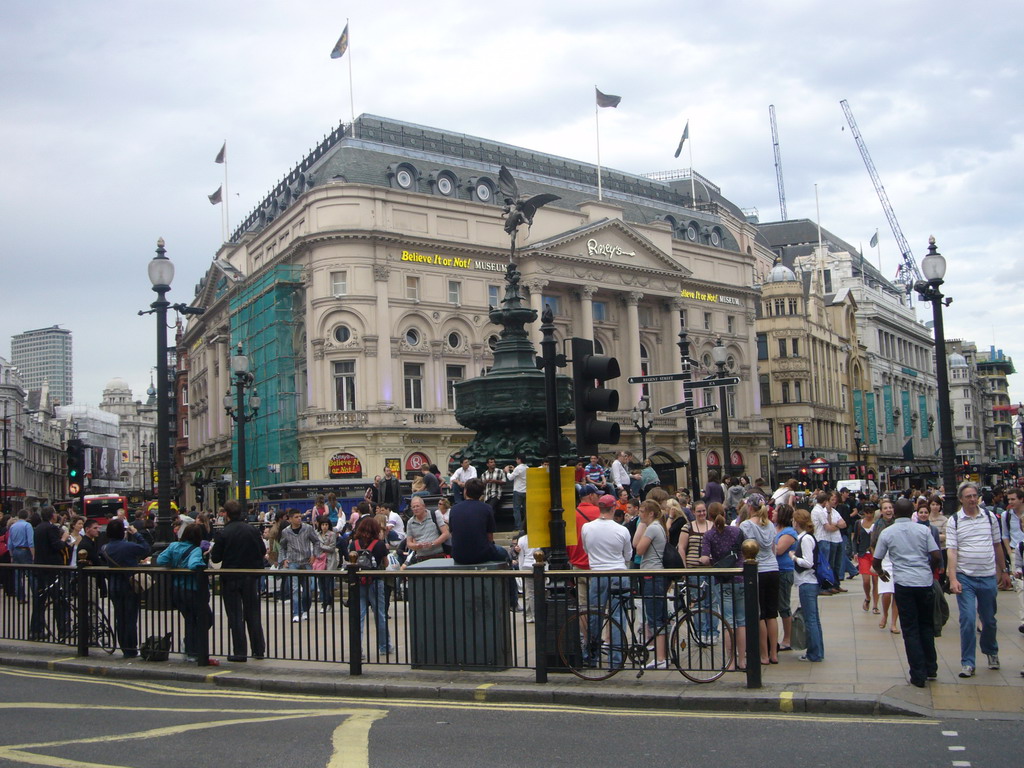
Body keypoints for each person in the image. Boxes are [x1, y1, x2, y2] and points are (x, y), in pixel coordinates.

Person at [873, 498, 942, 687]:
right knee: (926, 626)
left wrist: (881, 573)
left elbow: (876, 560)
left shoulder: (888, 533)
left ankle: (918, 674)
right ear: (912, 511)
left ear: (894, 513)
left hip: (903, 583)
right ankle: (931, 667)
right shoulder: (923, 530)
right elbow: (936, 555)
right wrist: (929, 569)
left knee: (910, 629)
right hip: (924, 581)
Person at [946, 481, 1012, 677]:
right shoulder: (955, 521)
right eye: (968, 496)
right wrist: (952, 578)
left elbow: (997, 545)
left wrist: (1004, 570)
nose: (973, 500)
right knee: (967, 619)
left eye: (975, 496)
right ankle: (968, 662)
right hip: (965, 577)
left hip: (987, 575)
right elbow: (952, 551)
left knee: (989, 620)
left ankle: (991, 650)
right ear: (961, 499)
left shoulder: (990, 518)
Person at [579, 488, 632, 667]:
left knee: (595, 615)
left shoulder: (587, 527)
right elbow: (628, 556)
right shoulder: (621, 530)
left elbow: (586, 550)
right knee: (618, 617)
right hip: (618, 573)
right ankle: (616, 660)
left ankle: (592, 657)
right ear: (613, 508)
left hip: (598, 573)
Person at [209, 499, 266, 661]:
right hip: (250, 576)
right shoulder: (252, 530)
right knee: (253, 613)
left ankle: (240, 652)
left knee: (235, 616)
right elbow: (261, 550)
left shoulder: (223, 533)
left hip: (231, 578)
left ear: (226, 514)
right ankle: (258, 649)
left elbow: (216, 557)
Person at [157, 522, 213, 664]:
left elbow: (160, 559)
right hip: (192, 590)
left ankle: (190, 649)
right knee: (206, 619)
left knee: (190, 620)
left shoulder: (174, 546)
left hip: (177, 590)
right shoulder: (195, 550)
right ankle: (192, 648)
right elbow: (193, 565)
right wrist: (202, 561)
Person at [699, 504, 746, 670]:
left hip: (722, 579)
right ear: (724, 514)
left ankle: (731, 661)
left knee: (728, 621)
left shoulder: (709, 535)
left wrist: (707, 560)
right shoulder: (737, 532)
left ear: (709, 517)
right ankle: (743, 660)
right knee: (741, 621)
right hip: (740, 577)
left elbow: (704, 558)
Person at [100, 519, 151, 658]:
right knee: (130, 618)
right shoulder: (128, 546)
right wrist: (136, 534)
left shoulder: (105, 548)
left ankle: (124, 647)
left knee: (119, 617)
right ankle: (131, 648)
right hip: (129, 585)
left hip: (113, 585)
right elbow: (146, 548)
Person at [740, 496, 780, 666]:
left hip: (758, 570)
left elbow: (745, 548)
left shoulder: (746, 525)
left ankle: (763, 654)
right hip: (773, 568)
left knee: (759, 615)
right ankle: (774, 653)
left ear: (749, 507)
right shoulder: (770, 524)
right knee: (772, 614)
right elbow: (773, 548)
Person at [632, 498, 669, 669]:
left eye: (642, 512)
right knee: (659, 616)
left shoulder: (652, 528)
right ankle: (663, 655)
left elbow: (638, 548)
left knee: (654, 616)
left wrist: (641, 526)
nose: (639, 515)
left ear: (650, 513)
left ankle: (660, 657)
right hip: (657, 574)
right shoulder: (658, 527)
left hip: (652, 575)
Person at [351, 515, 393, 656]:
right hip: (375, 580)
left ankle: (357, 649)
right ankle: (384, 646)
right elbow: (386, 563)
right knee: (380, 614)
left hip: (358, 582)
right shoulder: (379, 544)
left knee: (359, 615)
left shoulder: (354, 544)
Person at [29, 507, 72, 639]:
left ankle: (36, 630)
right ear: (52, 515)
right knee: (59, 599)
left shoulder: (38, 528)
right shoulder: (51, 528)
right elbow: (57, 546)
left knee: (40, 600)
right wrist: (64, 539)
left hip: (41, 566)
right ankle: (63, 629)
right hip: (52, 568)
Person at [791, 508, 824, 662]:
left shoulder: (805, 539)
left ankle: (814, 653)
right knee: (814, 618)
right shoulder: (807, 538)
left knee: (810, 619)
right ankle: (817, 651)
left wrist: (794, 557)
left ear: (797, 522)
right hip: (809, 582)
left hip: (807, 582)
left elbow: (808, 562)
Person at [277, 509, 319, 623]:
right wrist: (283, 559)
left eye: (300, 516)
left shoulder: (308, 528)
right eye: (296, 517)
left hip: (306, 562)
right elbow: (282, 546)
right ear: (290, 519)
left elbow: (316, 541)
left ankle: (305, 610)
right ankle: (296, 612)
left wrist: (314, 555)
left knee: (308, 589)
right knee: (295, 588)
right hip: (293, 562)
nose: (299, 519)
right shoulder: (286, 532)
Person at [774, 503, 798, 652]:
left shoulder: (789, 532)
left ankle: (788, 638)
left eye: (776, 511)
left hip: (784, 570)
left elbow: (779, 550)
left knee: (783, 605)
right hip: (774, 570)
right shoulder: (774, 528)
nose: (773, 513)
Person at [811, 491, 845, 594]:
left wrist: (836, 525)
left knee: (829, 564)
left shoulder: (818, 510)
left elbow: (843, 523)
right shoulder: (820, 511)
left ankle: (831, 585)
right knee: (824, 564)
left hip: (826, 539)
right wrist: (837, 525)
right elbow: (828, 527)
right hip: (823, 539)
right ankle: (823, 587)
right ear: (826, 501)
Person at [1002, 487, 1024, 633]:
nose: (1010, 502)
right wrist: (1010, 552)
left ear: (1021, 499)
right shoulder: (1006, 515)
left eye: (1013, 499)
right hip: (1017, 551)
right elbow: (1005, 535)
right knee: (1020, 586)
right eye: (1008, 499)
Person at [404, 496, 450, 562]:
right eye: (413, 507)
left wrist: (432, 544)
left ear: (424, 506)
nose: (416, 509)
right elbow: (409, 543)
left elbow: (446, 534)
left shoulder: (435, 515)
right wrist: (416, 545)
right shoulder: (410, 522)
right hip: (421, 558)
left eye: (417, 506)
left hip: (438, 555)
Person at [567, 484, 601, 571]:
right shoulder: (599, 512)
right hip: (597, 563)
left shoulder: (571, 514)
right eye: (597, 495)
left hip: (577, 563)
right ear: (591, 496)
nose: (599, 498)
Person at [853, 505, 879, 614]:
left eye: (871, 512)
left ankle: (875, 605)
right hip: (863, 553)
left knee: (876, 580)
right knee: (866, 580)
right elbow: (855, 539)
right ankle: (868, 597)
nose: (869, 515)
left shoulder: (877, 523)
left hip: (876, 554)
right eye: (867, 512)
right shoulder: (858, 523)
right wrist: (855, 552)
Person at [7, 509, 34, 603]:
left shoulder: (12, 526)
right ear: (27, 516)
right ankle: (36, 594)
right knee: (31, 574)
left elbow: (9, 542)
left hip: (15, 551)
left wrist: (11, 555)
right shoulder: (27, 525)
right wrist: (33, 554)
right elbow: (31, 542)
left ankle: (20, 597)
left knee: (18, 576)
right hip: (25, 550)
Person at [313, 516, 339, 612]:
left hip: (329, 561)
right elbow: (314, 546)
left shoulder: (332, 534)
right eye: (323, 524)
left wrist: (321, 546)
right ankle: (323, 603)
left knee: (328, 583)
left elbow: (332, 548)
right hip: (319, 561)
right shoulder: (316, 534)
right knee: (321, 583)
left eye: (326, 525)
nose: (325, 527)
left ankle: (329, 602)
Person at [506, 455, 528, 531]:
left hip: (518, 491)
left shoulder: (518, 468)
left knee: (516, 509)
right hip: (526, 491)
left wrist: (507, 471)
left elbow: (510, 478)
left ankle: (518, 527)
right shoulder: (526, 468)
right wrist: (514, 469)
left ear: (519, 460)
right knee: (526, 510)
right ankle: (526, 526)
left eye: (517, 459)